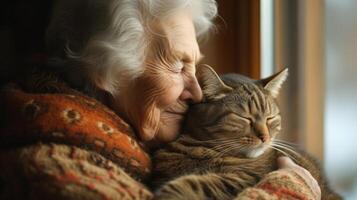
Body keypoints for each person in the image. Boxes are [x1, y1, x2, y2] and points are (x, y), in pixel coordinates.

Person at [0, 0, 321, 199]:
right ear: (107, 68)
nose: (197, 92)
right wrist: (290, 190)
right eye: (179, 65)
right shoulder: (56, 170)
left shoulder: (129, 148)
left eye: (195, 66)